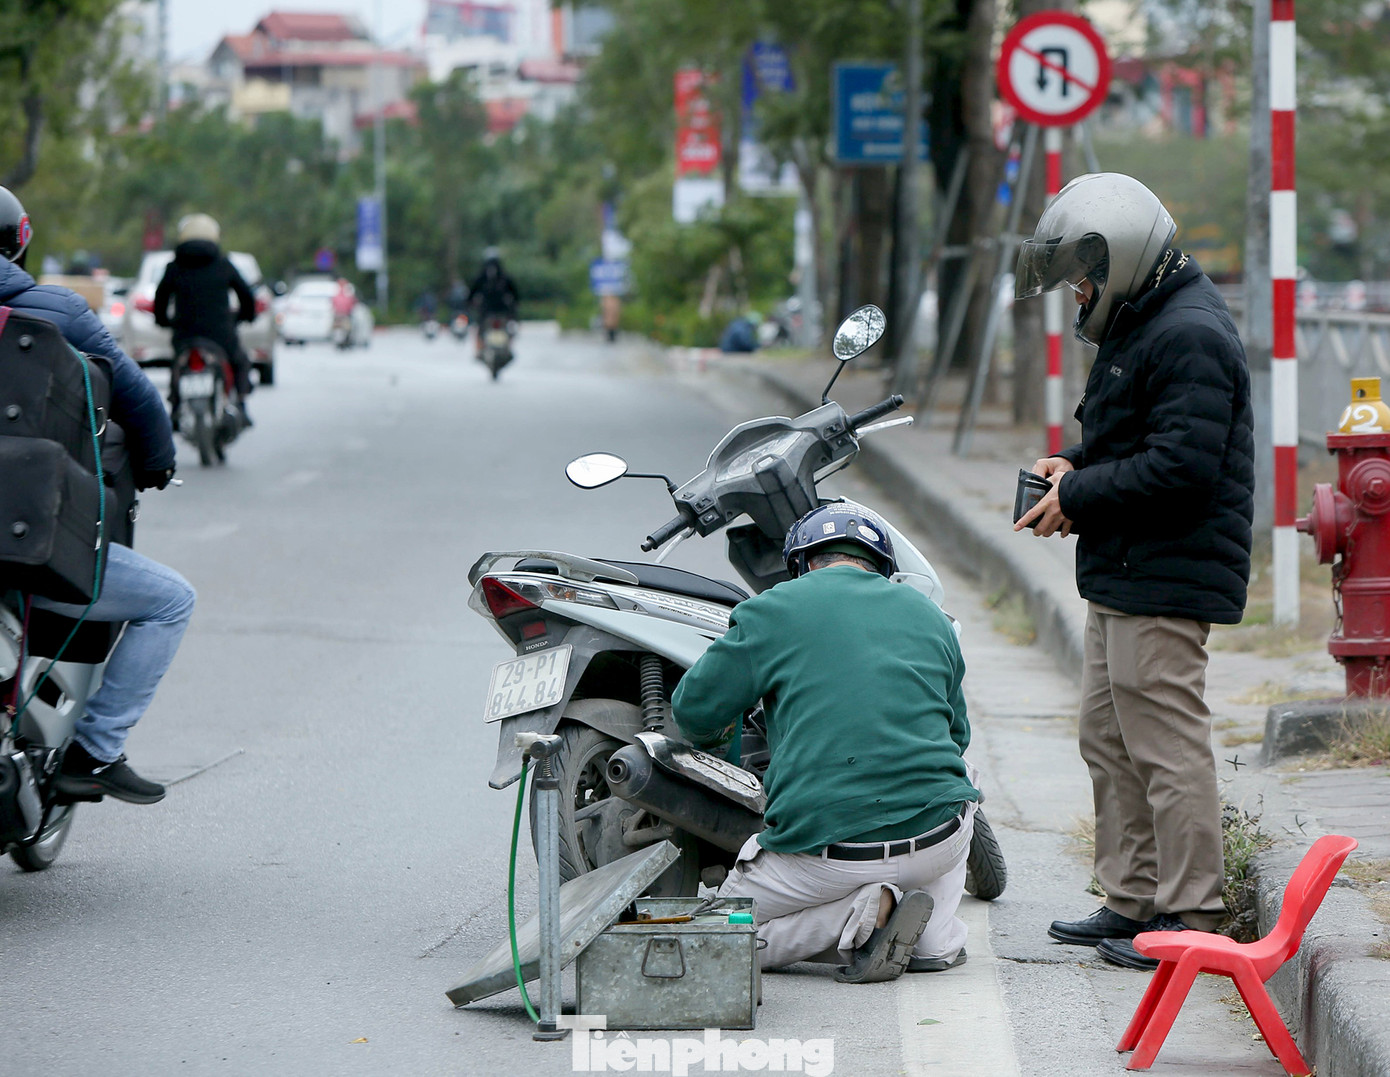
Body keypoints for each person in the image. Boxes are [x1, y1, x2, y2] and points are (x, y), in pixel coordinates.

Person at [1011, 172, 1254, 970]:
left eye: (1083, 273)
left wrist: (1079, 491)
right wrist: (1070, 465)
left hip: (1168, 572)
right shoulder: (1147, 317)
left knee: (1165, 745)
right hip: (1125, 567)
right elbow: (1132, 437)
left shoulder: (1189, 332)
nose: (1078, 290)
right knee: (1109, 738)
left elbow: (1181, 467)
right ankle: (1132, 900)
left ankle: (1193, 916)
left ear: (1117, 255)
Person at [671, 502, 979, 983]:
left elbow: (693, 712)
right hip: (938, 841)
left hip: (826, 858)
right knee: (964, 781)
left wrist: (719, 735)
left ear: (802, 563)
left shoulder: (773, 609)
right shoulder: (932, 616)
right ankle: (936, 938)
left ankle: (858, 916)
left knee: (712, 937)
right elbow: (957, 736)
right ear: (881, 565)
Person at [0, 185, 194, 805]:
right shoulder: (57, 310)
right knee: (170, 601)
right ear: (20, 243)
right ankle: (95, 750)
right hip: (23, 532)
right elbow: (136, 399)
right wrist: (158, 464)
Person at [153, 213, 257, 423]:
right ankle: (241, 406)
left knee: (177, 364)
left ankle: (175, 407)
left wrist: (163, 320)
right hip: (220, 334)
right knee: (240, 362)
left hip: (185, 334)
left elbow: (160, 299)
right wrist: (247, 315)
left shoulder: (174, 267)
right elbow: (246, 295)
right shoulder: (224, 264)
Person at [468, 248, 518, 354]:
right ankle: (506, 348)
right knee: (508, 328)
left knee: (481, 329)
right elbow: (515, 295)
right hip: (500, 311)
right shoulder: (504, 277)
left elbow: (472, 294)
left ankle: (480, 349)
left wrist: (470, 303)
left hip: (488, 311)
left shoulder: (482, 277)